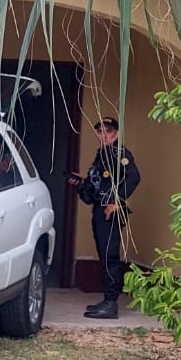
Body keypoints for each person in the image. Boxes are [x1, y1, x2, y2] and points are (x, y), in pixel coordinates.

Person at [68, 116, 141, 319]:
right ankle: (107, 300)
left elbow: (134, 177)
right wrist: (80, 184)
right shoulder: (102, 155)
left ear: (116, 133)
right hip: (100, 210)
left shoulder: (119, 153)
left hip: (111, 212)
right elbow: (94, 189)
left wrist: (116, 201)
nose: (104, 135)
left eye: (109, 131)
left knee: (110, 256)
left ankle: (111, 303)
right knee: (104, 254)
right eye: (101, 132)